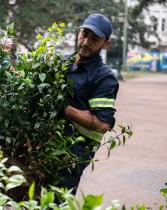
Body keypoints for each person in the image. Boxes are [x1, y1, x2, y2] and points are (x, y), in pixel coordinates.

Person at [58, 13, 119, 195]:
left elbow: (103, 124)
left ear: (105, 43)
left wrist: (64, 108)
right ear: (79, 32)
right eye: (84, 34)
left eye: (94, 39)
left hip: (72, 157)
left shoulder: (103, 78)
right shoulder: (62, 64)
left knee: (56, 203)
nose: (86, 42)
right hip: (42, 146)